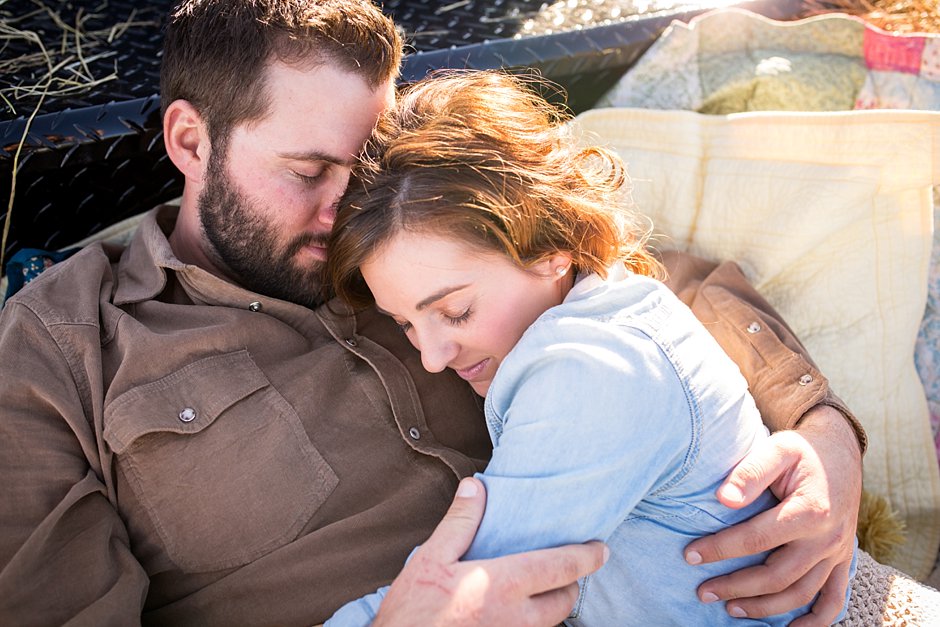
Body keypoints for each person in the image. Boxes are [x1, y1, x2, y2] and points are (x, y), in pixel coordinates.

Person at [0, 1, 864, 625]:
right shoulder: (60, 349)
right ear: (191, 141)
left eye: (367, 164)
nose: (349, 211)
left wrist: (821, 426)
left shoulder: (411, 230)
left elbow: (653, 286)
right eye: (307, 173)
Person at [323, 70, 856, 626]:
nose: (432, 358)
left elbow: (468, 589)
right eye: (404, 323)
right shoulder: (616, 308)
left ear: (552, 247)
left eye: (456, 311)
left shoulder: (595, 370)